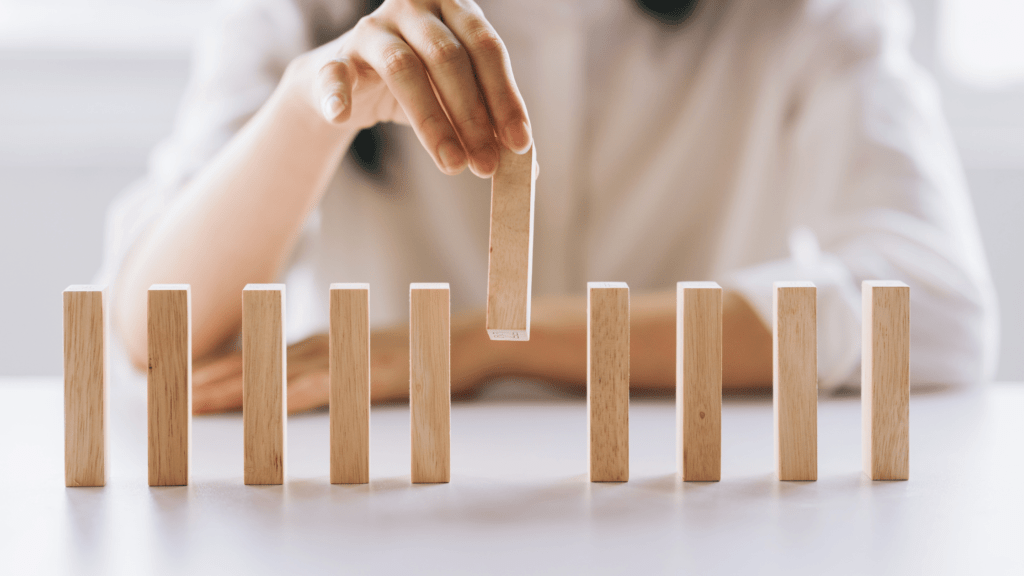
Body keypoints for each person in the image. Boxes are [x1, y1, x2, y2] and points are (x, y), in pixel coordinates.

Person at [97, 0, 998, 413]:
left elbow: (940, 313)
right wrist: (306, 113)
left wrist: (477, 343)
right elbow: (151, 332)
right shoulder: (295, 13)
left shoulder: (805, 17)